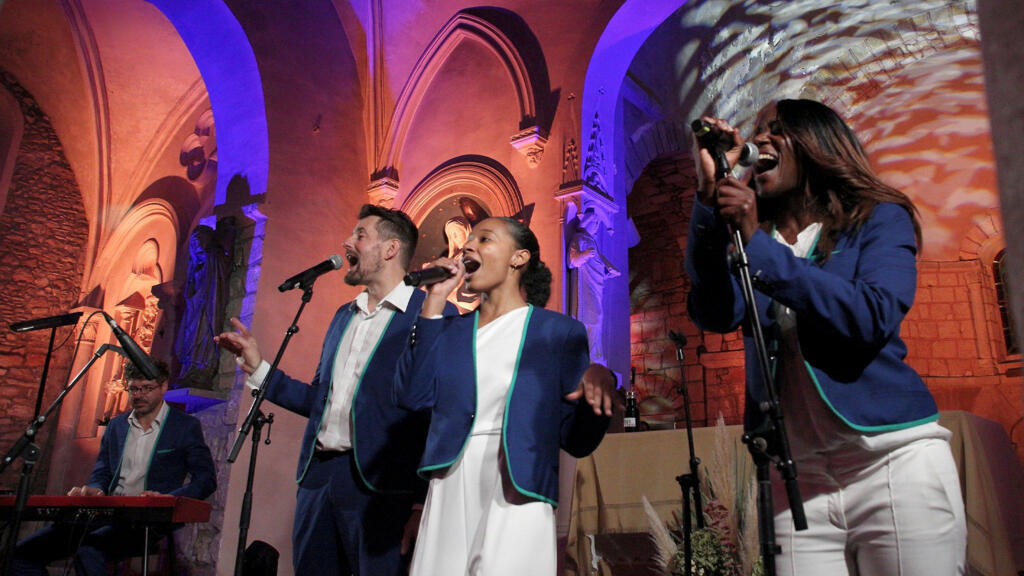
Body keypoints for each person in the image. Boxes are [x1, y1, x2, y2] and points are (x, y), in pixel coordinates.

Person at [685, 99, 966, 575]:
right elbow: (714, 311)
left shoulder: (878, 218)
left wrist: (756, 245)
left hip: (892, 462)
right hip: (797, 477)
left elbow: (870, 315)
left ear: (818, 145)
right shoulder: (757, 238)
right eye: (758, 130)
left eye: (778, 130)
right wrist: (709, 201)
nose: (762, 139)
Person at [215, 204, 456, 576]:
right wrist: (259, 367)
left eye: (361, 234)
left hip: (384, 488)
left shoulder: (433, 314)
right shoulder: (345, 315)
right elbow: (320, 401)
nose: (347, 241)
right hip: (319, 480)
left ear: (391, 249)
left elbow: (437, 414)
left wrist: (420, 501)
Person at [393, 216, 616, 575]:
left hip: (520, 482)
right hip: (450, 479)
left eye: (484, 239)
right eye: (467, 241)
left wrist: (601, 385)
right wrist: (434, 301)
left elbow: (576, 440)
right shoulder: (448, 332)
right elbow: (411, 395)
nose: (467, 247)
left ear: (519, 258)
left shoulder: (559, 332)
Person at [11, 359, 217, 576]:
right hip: (107, 513)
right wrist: (95, 488)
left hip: (147, 519)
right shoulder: (117, 426)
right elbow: (103, 471)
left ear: (163, 386)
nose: (138, 395)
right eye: (134, 389)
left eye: (147, 388)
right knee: (20, 555)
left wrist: (169, 500)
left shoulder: (184, 426)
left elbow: (206, 479)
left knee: (88, 551)